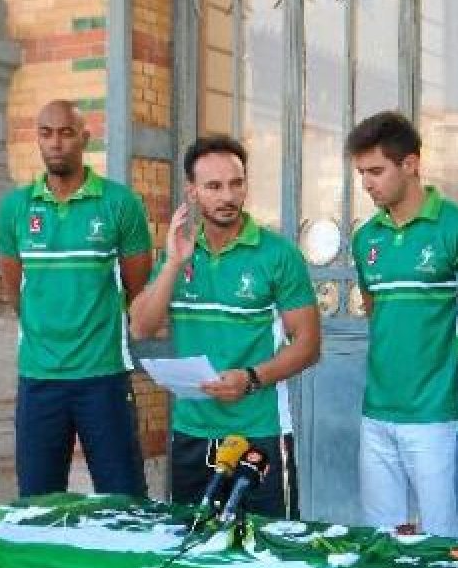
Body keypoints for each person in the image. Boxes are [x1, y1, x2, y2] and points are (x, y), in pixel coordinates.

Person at [130, 135, 321, 524]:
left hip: (260, 430)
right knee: (192, 549)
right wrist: (171, 264)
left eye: (236, 183)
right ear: (193, 192)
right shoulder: (179, 254)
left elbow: (309, 344)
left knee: (271, 550)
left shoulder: (277, 254)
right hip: (192, 432)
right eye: (214, 186)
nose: (227, 196)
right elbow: (141, 327)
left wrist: (251, 379)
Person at [0, 99, 152, 501]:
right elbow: (16, 293)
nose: (56, 143)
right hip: (39, 377)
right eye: (46, 133)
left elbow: (138, 293)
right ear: (38, 140)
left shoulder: (120, 204)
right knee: (38, 502)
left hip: (103, 376)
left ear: (84, 137)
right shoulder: (14, 209)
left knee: (123, 500)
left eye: (66, 133)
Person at [346, 111, 458, 536]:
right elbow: (375, 311)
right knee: (382, 540)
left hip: (439, 414)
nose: (367, 183)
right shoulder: (366, 240)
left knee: (443, 542)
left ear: (411, 164)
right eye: (362, 173)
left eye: (376, 171)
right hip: (376, 412)